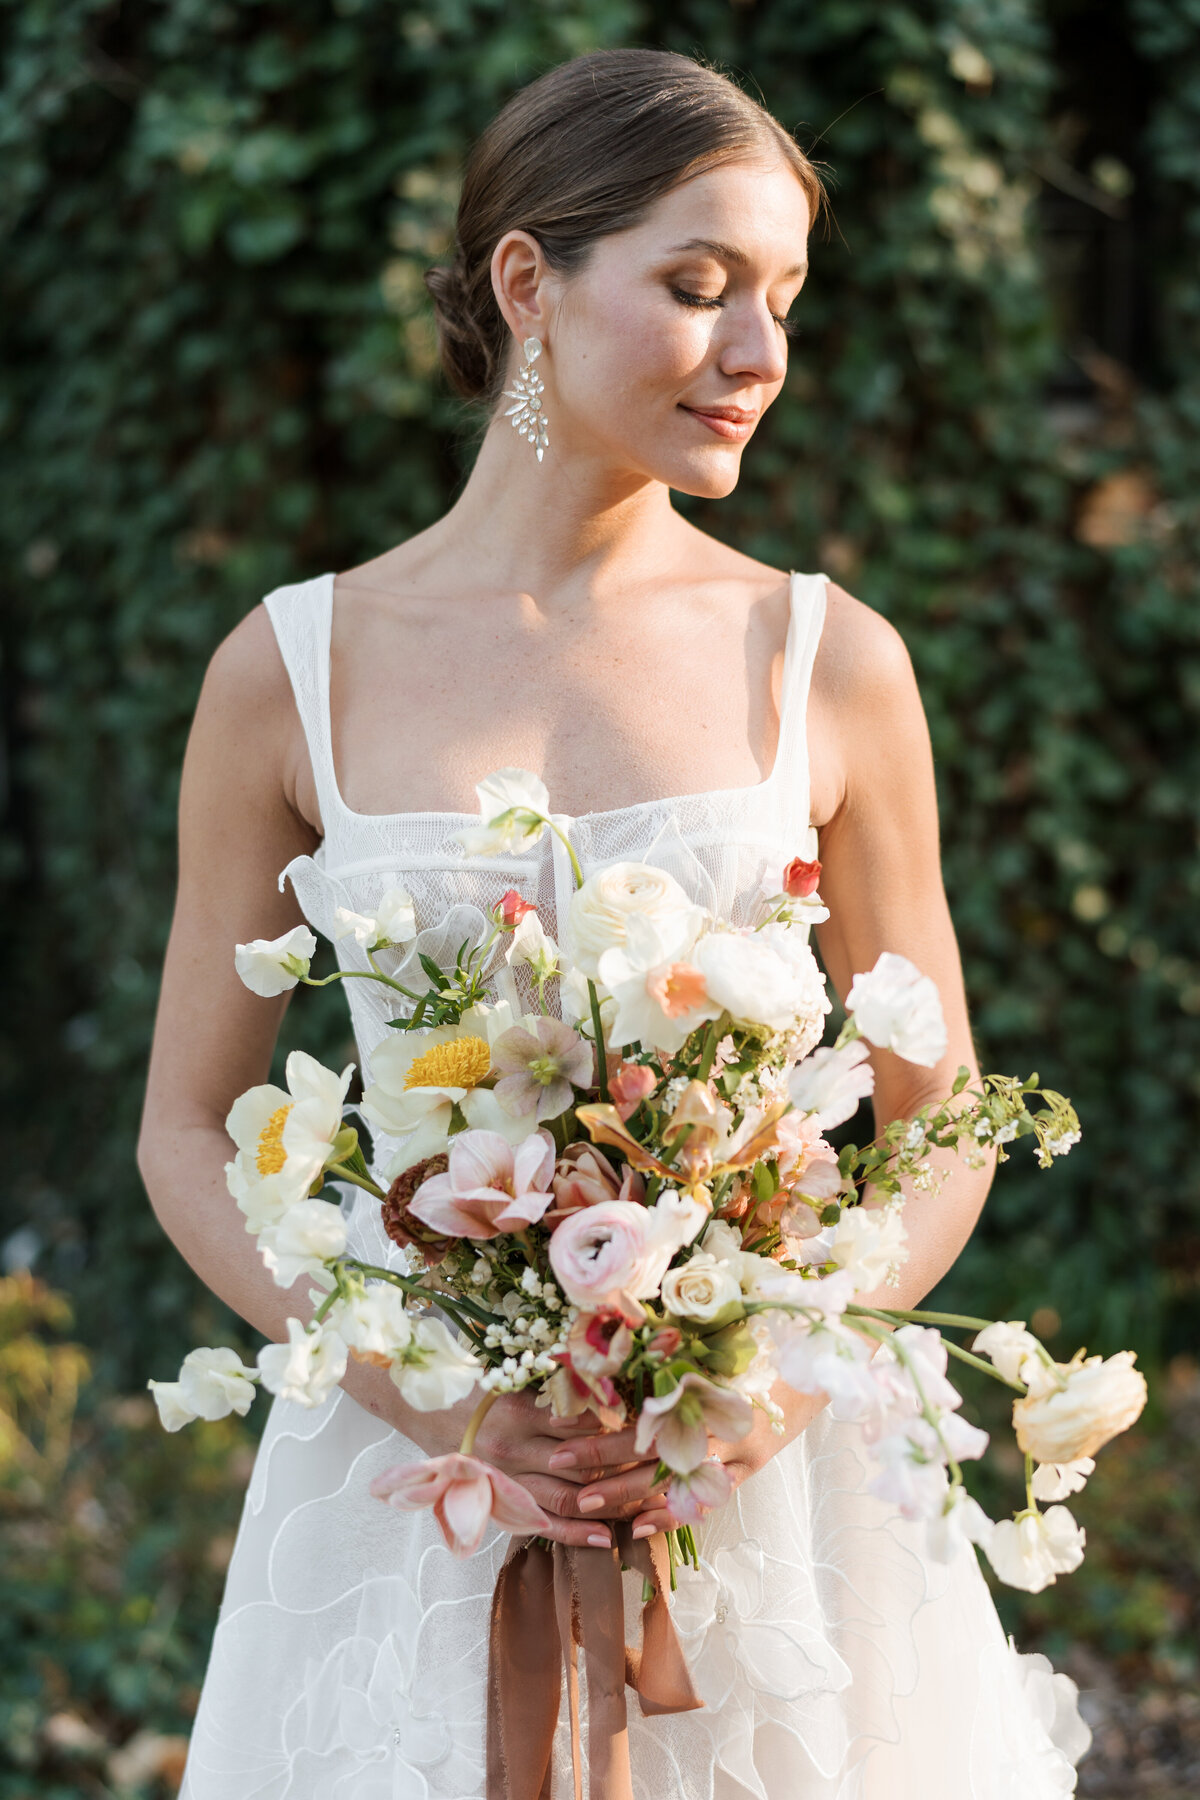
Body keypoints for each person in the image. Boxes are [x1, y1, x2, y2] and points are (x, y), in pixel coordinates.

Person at [139, 46, 1091, 1800]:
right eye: (700, 287)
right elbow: (189, 1129)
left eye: (784, 301)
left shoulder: (828, 661)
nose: (760, 357)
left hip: (775, 1501)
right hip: (414, 1489)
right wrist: (436, 1398)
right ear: (528, 282)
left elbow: (937, 1115)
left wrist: (765, 1389)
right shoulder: (291, 675)